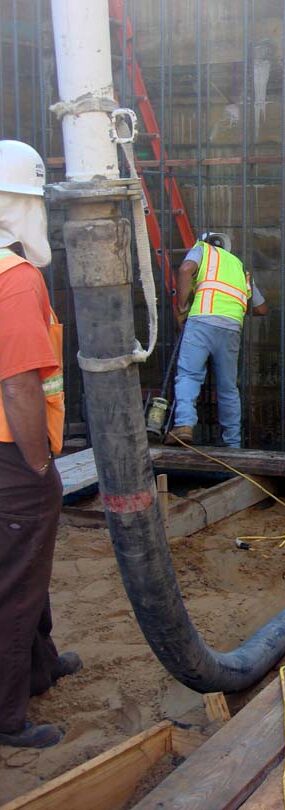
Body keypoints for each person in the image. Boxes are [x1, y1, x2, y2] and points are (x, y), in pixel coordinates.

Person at [0, 140, 81, 749]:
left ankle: (41, 664)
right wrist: (37, 463)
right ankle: (7, 714)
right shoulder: (17, 280)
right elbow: (21, 383)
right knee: (17, 579)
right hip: (12, 456)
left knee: (23, 569)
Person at [166, 232, 268, 447]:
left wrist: (183, 307)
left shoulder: (203, 249)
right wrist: (234, 307)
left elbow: (185, 270)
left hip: (202, 319)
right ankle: (233, 443)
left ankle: (184, 425)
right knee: (228, 387)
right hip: (231, 327)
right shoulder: (240, 268)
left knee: (189, 375)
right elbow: (261, 308)